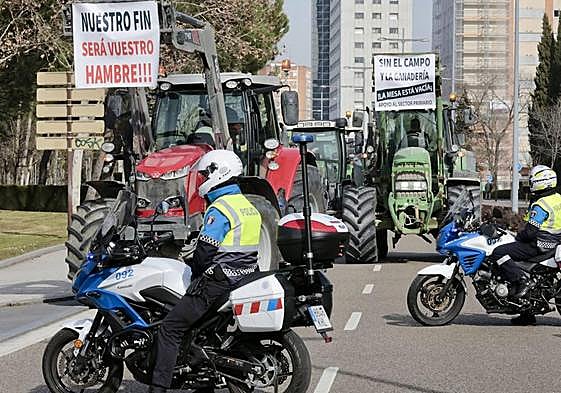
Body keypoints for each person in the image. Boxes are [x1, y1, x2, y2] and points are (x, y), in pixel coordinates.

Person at [148, 150, 262, 393]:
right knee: (203, 329)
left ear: (218, 173)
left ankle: (157, 388)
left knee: (170, 328)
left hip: (219, 280)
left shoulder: (221, 208)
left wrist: (193, 269)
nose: (201, 180)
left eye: (204, 174)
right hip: (246, 275)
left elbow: (204, 254)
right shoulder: (247, 205)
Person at [489, 165, 561, 325]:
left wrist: (518, 236)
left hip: (539, 244)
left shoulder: (542, 204)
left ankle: (521, 280)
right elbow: (526, 222)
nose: (531, 184)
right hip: (553, 243)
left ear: (542, 183)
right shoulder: (557, 199)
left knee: (498, 252)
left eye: (533, 181)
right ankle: (527, 314)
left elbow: (529, 232)